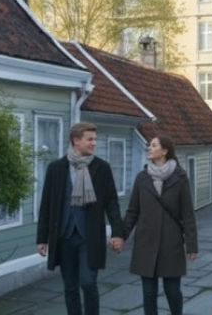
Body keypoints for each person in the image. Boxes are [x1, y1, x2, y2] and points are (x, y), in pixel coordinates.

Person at [36, 122, 126, 315]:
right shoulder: (56, 168)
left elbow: (111, 203)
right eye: (90, 139)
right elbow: (46, 205)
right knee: (70, 287)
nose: (94, 143)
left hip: (90, 236)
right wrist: (42, 238)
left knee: (87, 282)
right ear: (76, 140)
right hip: (64, 235)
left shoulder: (101, 168)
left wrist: (118, 233)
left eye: (95, 139)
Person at [122, 135, 198, 315]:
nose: (149, 148)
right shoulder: (142, 178)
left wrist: (192, 244)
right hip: (145, 242)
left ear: (164, 151)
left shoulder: (179, 177)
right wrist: (121, 236)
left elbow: (187, 213)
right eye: (149, 145)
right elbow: (133, 211)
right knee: (148, 294)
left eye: (153, 145)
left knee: (172, 291)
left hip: (171, 243)